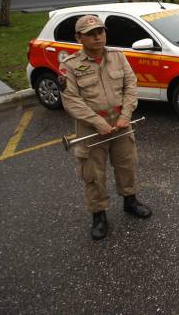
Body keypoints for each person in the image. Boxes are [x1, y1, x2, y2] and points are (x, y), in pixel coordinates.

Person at [59, 14, 151, 240]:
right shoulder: (70, 66)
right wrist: (98, 123)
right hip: (91, 129)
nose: (98, 37)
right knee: (93, 174)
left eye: (100, 32)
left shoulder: (118, 57)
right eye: (90, 34)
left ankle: (130, 201)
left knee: (127, 165)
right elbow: (70, 99)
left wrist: (125, 115)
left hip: (121, 123)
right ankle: (98, 215)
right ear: (78, 38)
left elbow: (131, 85)